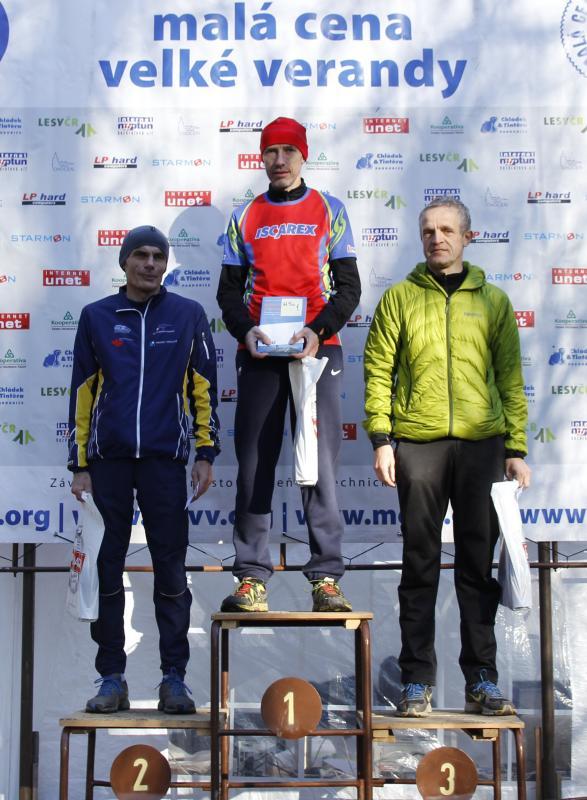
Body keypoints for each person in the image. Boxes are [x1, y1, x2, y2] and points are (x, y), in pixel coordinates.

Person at [363, 198, 531, 717]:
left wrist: (516, 448)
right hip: (419, 443)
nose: (437, 238)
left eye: (446, 230)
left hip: (483, 445)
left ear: (467, 237)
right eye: (428, 231)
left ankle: (482, 679)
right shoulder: (399, 298)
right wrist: (382, 439)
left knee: (477, 567)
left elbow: (510, 378)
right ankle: (416, 680)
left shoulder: (494, 301)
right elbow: (378, 370)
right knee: (420, 564)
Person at [68, 225, 220, 713]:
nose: (150, 263)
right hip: (108, 462)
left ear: (166, 264)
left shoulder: (187, 315)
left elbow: (203, 388)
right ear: (124, 261)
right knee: (106, 567)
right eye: (141, 255)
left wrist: (205, 453)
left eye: (158, 256)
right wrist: (79, 464)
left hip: (164, 460)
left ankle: (174, 678)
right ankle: (111, 677)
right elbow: (82, 392)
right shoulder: (96, 316)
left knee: (170, 569)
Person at [216, 116, 361, 613]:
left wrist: (317, 330)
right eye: (271, 151)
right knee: (255, 465)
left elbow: (349, 288)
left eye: (288, 151)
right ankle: (251, 577)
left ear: (304, 156)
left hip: (318, 349)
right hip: (260, 352)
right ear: (261, 157)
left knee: (318, 464)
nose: (279, 160)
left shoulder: (329, 209)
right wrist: (245, 331)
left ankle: (326, 578)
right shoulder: (245, 215)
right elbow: (228, 293)